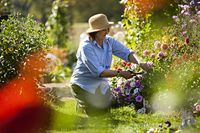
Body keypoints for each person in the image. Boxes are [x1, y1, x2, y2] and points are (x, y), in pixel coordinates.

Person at [70, 13, 152, 116]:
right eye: (104, 29)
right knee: (97, 115)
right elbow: (98, 72)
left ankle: (88, 104)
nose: (107, 31)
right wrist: (121, 73)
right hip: (83, 85)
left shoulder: (109, 41)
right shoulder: (86, 47)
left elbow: (127, 53)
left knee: (109, 109)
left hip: (100, 85)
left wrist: (140, 62)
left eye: (107, 28)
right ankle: (82, 104)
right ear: (95, 32)